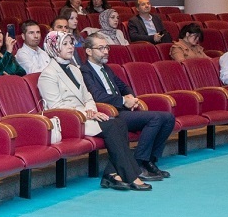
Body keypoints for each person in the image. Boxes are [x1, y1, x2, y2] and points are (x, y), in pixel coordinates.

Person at [36, 32, 151, 191]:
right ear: (53, 47)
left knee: (119, 123)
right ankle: (131, 176)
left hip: (85, 116)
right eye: (65, 44)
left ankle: (112, 174)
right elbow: (57, 107)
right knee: (112, 126)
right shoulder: (48, 75)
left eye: (71, 43)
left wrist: (91, 109)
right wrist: (86, 113)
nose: (70, 47)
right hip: (69, 121)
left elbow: (88, 96)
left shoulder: (75, 69)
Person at [80, 34, 174, 180]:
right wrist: (124, 101)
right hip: (110, 113)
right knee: (155, 118)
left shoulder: (106, 68)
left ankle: (149, 161)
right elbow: (97, 96)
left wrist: (130, 97)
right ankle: (138, 164)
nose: (106, 51)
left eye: (107, 47)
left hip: (122, 110)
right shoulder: (85, 71)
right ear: (89, 51)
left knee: (168, 118)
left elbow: (124, 86)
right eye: (101, 48)